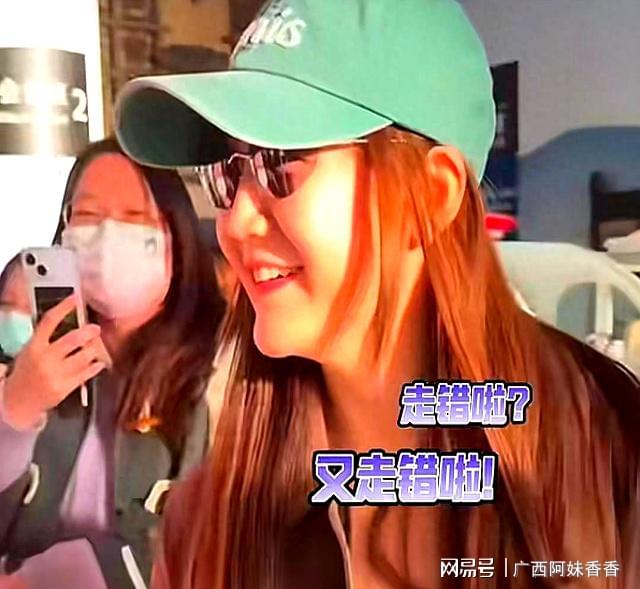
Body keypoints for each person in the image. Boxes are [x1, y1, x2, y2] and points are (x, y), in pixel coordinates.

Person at [114, 1, 640, 588]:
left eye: (279, 165)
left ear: (433, 198)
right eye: (229, 175)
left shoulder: (613, 464)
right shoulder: (209, 526)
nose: (234, 223)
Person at [0, 139, 225, 589]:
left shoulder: (223, 373)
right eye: (87, 215)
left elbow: (209, 543)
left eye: (133, 217)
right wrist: (14, 413)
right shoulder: (28, 360)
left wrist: (37, 581)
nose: (106, 235)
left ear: (174, 236)